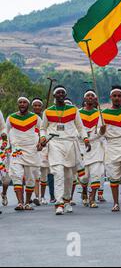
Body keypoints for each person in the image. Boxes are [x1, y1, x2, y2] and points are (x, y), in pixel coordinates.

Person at [39, 86, 91, 215]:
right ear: (54, 96)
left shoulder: (73, 110)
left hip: (70, 143)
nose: (61, 94)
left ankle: (67, 200)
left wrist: (85, 139)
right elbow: (42, 128)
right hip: (55, 144)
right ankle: (59, 203)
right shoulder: (48, 111)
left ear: (66, 94)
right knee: (58, 173)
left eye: (63, 92)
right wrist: (42, 138)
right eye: (58, 93)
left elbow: (80, 127)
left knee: (69, 176)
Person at [5, 97, 42, 211]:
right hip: (17, 151)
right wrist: (6, 145)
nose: (22, 104)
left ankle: (27, 203)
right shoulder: (11, 118)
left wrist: (41, 143)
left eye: (24, 102)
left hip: (31, 151)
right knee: (16, 176)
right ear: (18, 104)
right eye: (20, 102)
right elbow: (5, 133)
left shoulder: (35, 118)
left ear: (28, 105)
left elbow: (43, 131)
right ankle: (20, 203)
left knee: (30, 178)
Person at [78, 90, 105, 208]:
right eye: (87, 95)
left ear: (95, 99)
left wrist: (102, 131)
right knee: (84, 176)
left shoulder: (100, 114)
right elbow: (75, 129)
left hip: (95, 146)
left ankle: (92, 198)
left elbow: (101, 131)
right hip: (81, 146)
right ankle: (84, 189)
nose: (90, 97)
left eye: (92, 96)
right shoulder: (77, 113)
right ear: (84, 99)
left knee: (96, 174)